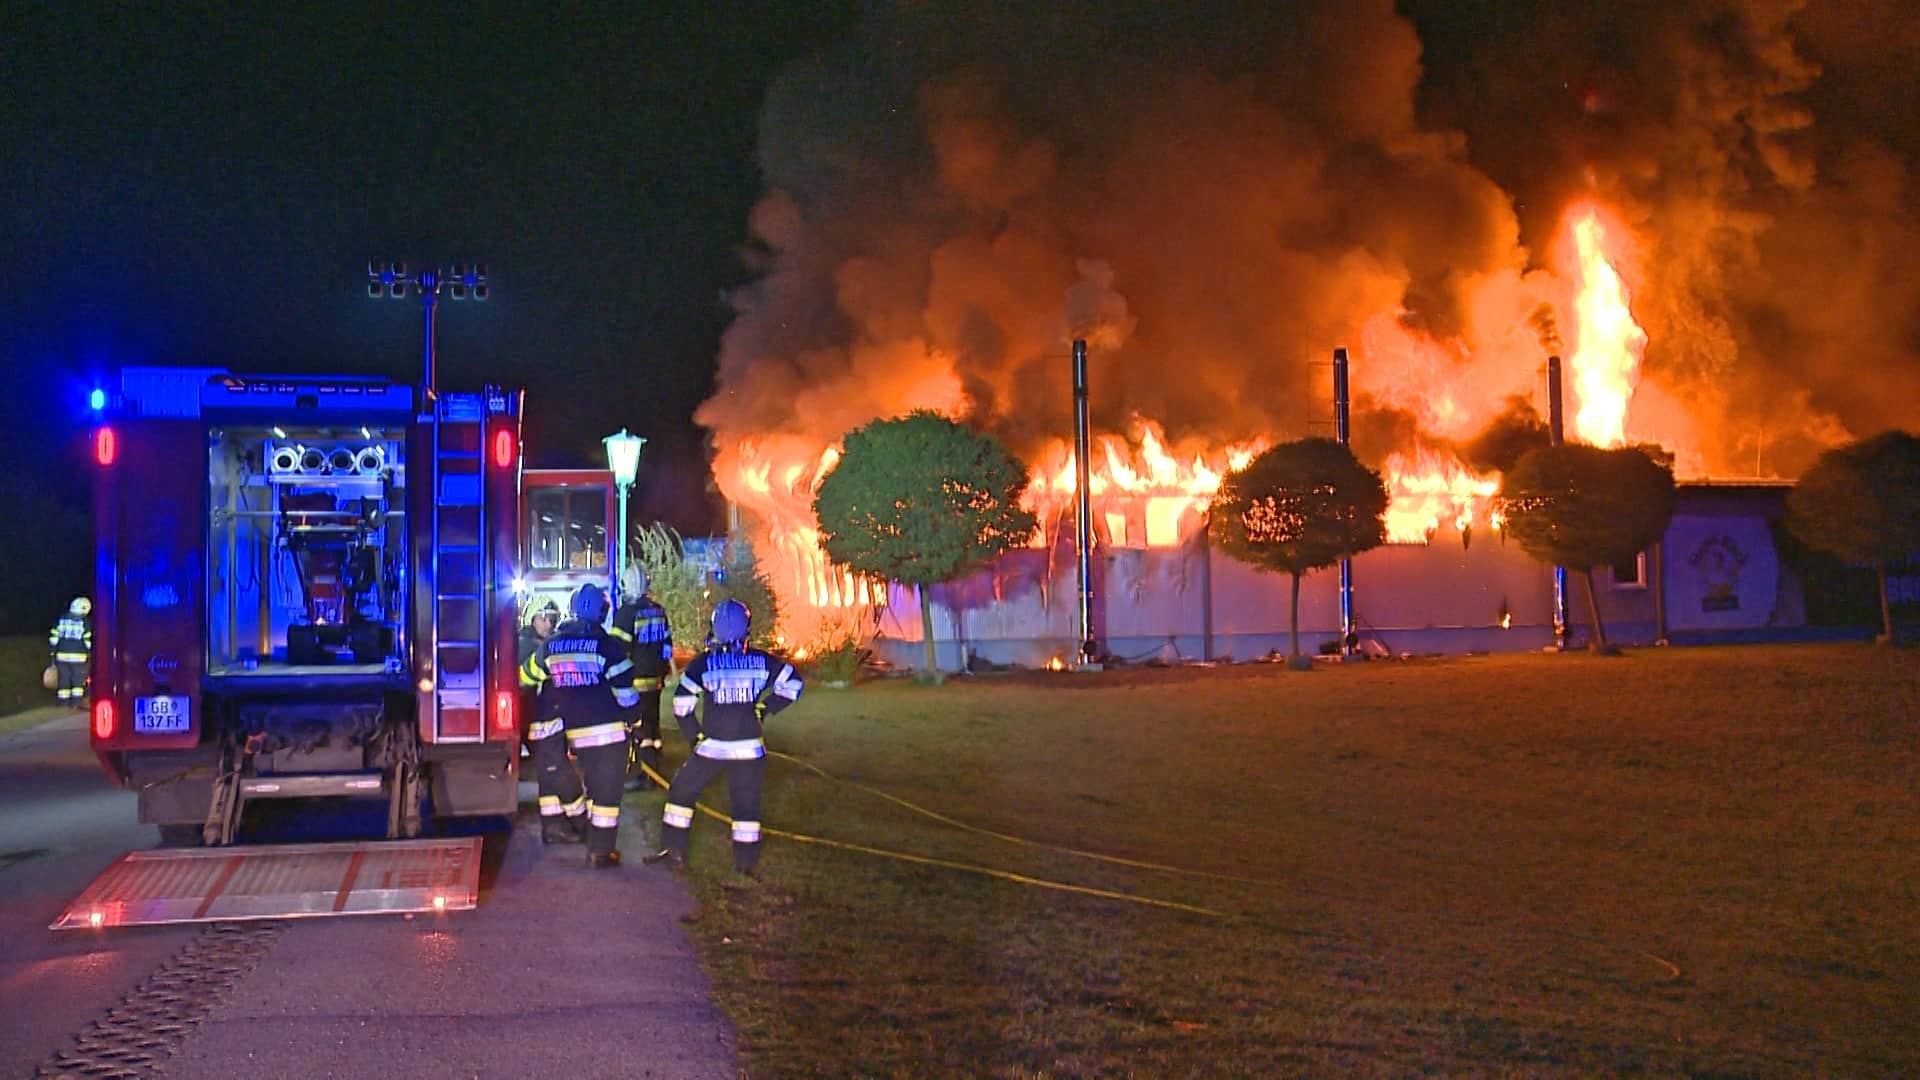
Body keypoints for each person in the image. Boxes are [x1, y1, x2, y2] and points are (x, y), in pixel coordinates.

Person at [644, 599, 802, 876]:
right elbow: (793, 684)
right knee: (746, 805)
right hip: (750, 748)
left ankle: (674, 851)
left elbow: (682, 705)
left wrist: (695, 737)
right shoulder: (762, 661)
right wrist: (765, 707)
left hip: (712, 747)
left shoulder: (703, 664)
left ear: (715, 628)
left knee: (682, 791)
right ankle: (745, 864)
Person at [521, 583, 638, 868]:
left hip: (575, 734)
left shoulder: (551, 645)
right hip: (608, 733)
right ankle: (600, 851)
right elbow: (625, 693)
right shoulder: (608, 645)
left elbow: (526, 676)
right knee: (606, 794)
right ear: (602, 611)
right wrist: (635, 719)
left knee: (591, 786)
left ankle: (587, 837)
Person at [516, 597, 582, 844]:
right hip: (540, 722)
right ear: (531, 619)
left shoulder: (535, 643)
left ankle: (553, 826)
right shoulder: (528, 646)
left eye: (553, 618)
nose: (550, 623)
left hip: (543, 721)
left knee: (548, 773)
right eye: (545, 618)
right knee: (561, 773)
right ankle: (580, 819)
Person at [609, 564, 673, 783]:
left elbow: (617, 651)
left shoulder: (626, 614)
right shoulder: (658, 610)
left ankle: (643, 772)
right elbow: (667, 646)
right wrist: (664, 670)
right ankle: (656, 762)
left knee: (638, 726)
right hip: (656, 679)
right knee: (653, 723)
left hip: (634, 680)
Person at [49, 597, 92, 708]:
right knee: (77, 681)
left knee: (63, 680)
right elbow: (87, 641)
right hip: (79, 657)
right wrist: (90, 653)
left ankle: (63, 703)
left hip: (61, 656)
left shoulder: (61, 619)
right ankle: (76, 703)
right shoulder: (84, 622)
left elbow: (54, 638)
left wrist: (53, 653)